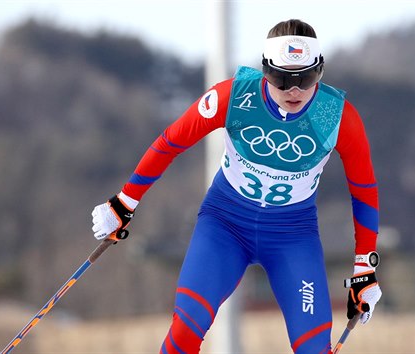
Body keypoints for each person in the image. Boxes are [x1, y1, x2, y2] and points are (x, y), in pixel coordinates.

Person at [91, 19, 382, 354]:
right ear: (265, 70)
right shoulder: (233, 96)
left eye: (305, 78)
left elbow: (364, 191)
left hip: (292, 235)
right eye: (283, 78)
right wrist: (125, 202)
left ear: (320, 72)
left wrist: (365, 267)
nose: (294, 91)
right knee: (186, 327)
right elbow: (170, 142)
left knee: (313, 347)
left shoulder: (338, 116)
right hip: (226, 224)